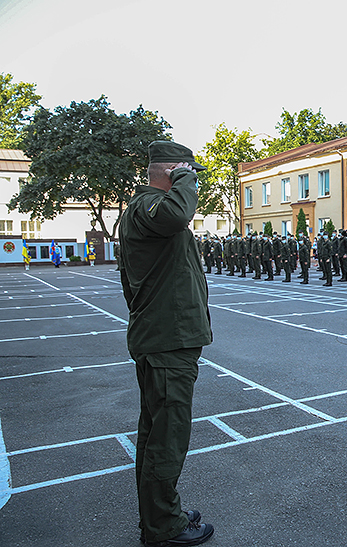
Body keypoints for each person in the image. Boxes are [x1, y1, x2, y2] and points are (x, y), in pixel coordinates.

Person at [118, 141, 214, 547]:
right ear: (173, 171)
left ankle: (159, 514)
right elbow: (178, 214)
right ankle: (163, 527)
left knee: (156, 432)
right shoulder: (151, 207)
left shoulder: (148, 211)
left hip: (163, 336)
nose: (193, 183)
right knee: (167, 437)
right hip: (167, 340)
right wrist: (185, 178)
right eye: (188, 173)